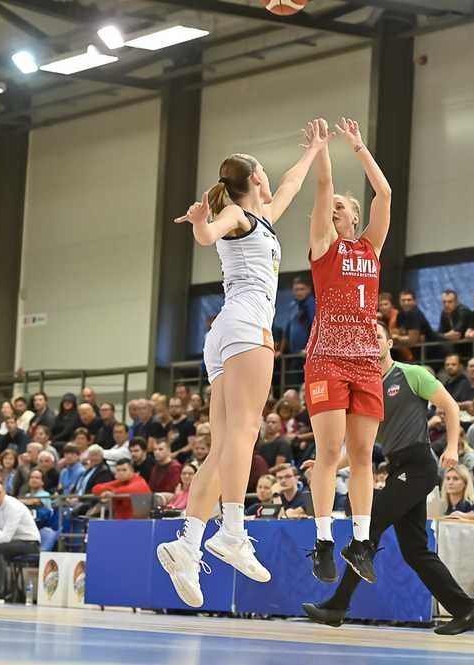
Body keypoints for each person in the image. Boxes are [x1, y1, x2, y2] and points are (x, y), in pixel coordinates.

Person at [157, 125, 323, 606]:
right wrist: (198, 222)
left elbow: (291, 184)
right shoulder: (235, 212)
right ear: (252, 178)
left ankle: (188, 544)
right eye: (264, 171)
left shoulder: (263, 217)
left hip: (227, 333)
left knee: (224, 446)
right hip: (246, 327)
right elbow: (208, 234)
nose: (272, 177)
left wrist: (313, 152)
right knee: (246, 433)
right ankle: (232, 531)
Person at [302, 321, 474, 635]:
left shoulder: (411, 373)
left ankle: (337, 606)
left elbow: (451, 407)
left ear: (389, 343)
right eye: (367, 338)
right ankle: (466, 611)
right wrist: (326, 465)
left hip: (418, 465)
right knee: (415, 551)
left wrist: (452, 446)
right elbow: (359, 447)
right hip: (397, 467)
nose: (372, 341)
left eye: (377, 336)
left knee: (367, 531)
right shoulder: (364, 388)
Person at [303, 117, 392, 583]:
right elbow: (323, 186)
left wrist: (359, 147)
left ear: (355, 218)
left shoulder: (371, 247)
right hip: (327, 358)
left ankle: (360, 542)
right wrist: (322, 149)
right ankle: (322, 540)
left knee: (362, 456)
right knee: (329, 451)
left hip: (365, 361)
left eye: (342, 206)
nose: (334, 208)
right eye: (331, 207)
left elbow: (385, 193)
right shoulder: (324, 246)